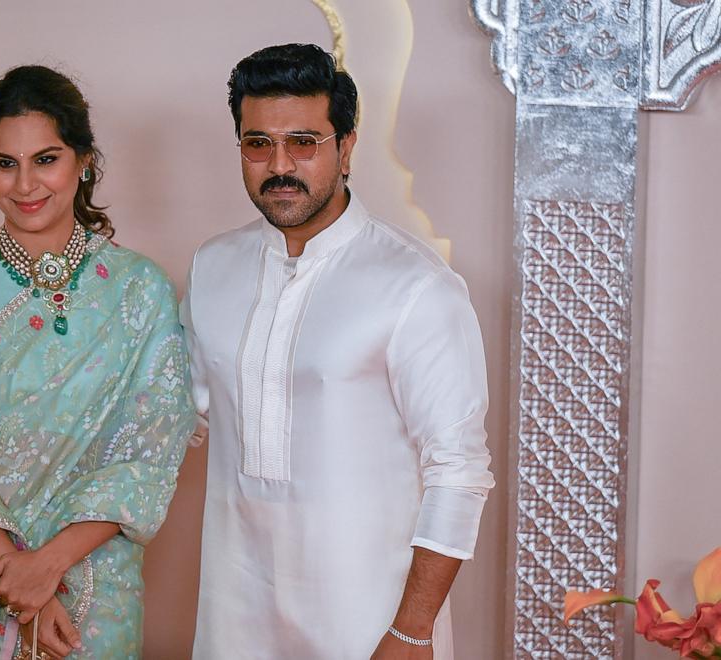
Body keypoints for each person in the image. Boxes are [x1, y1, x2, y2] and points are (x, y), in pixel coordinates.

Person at [182, 44, 495, 659]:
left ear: (345, 146)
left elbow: (457, 471)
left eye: (304, 141)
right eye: (257, 143)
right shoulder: (211, 267)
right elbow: (175, 420)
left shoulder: (415, 286)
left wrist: (411, 631)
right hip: (234, 621)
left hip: (370, 621)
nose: (279, 164)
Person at [0, 65, 194, 660]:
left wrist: (48, 566)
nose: (26, 183)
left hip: (94, 582)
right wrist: (15, 571)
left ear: (84, 160)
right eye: (5, 163)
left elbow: (149, 450)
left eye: (47, 159)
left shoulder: (140, 290)